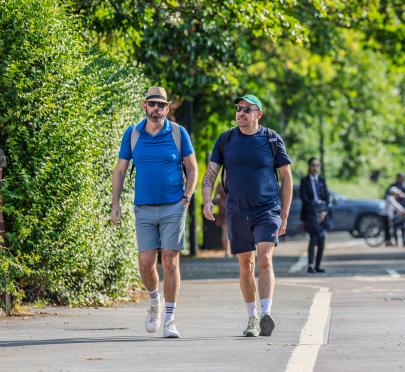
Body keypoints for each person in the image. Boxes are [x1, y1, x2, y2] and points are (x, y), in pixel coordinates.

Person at [202, 94, 293, 337]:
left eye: (246, 109)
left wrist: (284, 214)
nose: (240, 113)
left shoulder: (271, 139)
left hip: (267, 209)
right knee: (246, 263)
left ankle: (266, 314)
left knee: (264, 257)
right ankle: (252, 317)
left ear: (258, 114)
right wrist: (207, 200)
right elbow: (211, 173)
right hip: (237, 211)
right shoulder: (226, 140)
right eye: (238, 109)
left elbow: (286, 177)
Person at [111, 86, 198, 338]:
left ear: (167, 108)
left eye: (161, 105)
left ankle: (170, 319)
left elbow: (191, 168)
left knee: (170, 259)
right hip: (144, 208)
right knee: (145, 262)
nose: (156, 108)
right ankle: (154, 300)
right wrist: (115, 204)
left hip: (174, 206)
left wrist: (186, 198)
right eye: (152, 104)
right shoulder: (132, 134)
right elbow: (120, 171)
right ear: (144, 105)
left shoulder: (179, 133)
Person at [299, 157, 330, 273]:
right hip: (311, 215)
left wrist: (324, 211)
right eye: (313, 165)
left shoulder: (321, 181)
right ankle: (310, 265)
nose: (315, 167)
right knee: (313, 238)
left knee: (322, 240)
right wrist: (315, 211)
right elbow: (304, 198)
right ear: (309, 166)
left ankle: (318, 265)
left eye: (317, 165)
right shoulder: (304, 181)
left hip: (323, 214)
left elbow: (327, 198)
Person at [388, 172, 405, 245]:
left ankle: (404, 241)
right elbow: (389, 196)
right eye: (398, 177)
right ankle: (396, 242)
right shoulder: (393, 186)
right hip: (395, 209)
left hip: (404, 208)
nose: (399, 179)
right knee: (395, 225)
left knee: (404, 226)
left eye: (401, 177)